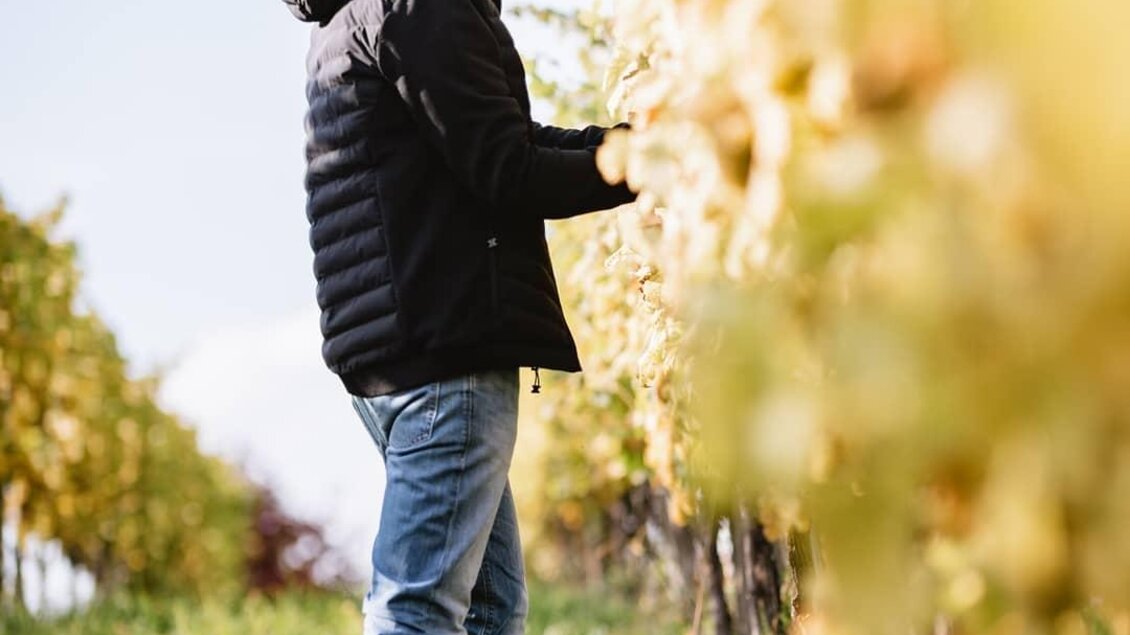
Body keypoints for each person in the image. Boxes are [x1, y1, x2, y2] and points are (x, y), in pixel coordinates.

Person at [282, 0, 637, 632]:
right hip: (446, 356)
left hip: (403, 350)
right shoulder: (420, 6)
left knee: (491, 610)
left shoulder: (354, 15)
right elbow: (509, 170)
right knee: (417, 609)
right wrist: (654, 163)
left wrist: (626, 150)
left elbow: (501, 141)